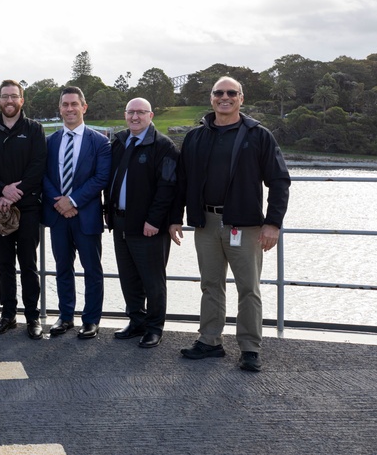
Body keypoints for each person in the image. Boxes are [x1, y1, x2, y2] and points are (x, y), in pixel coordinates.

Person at [169, 76, 290, 372]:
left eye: (231, 93)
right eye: (219, 93)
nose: (225, 97)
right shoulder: (196, 136)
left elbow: (279, 180)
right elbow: (181, 181)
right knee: (211, 284)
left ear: (241, 98)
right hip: (205, 223)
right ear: (211, 98)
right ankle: (210, 341)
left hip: (245, 225)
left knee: (248, 288)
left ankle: (250, 348)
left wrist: (273, 223)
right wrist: (174, 218)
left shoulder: (258, 135)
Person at [105, 97, 179, 349]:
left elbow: (167, 187)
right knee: (128, 277)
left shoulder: (163, 146)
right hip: (120, 222)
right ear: (125, 115)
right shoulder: (120, 142)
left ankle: (154, 327)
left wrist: (154, 220)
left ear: (151, 115)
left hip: (149, 226)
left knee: (153, 280)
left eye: (141, 112)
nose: (135, 117)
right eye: (130, 112)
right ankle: (136, 320)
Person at [0, 80, 47, 340]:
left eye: (14, 96)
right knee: (4, 264)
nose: (9, 101)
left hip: (27, 208)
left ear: (22, 100)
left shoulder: (34, 130)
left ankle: (32, 318)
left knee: (28, 264)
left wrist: (15, 193)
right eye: (4, 96)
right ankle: (8, 315)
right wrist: (1, 189)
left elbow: (38, 165)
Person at [42, 86, 111, 340]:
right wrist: (59, 202)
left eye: (74, 104)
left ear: (84, 107)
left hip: (87, 215)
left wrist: (72, 200)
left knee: (92, 269)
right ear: (60, 109)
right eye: (65, 105)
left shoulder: (100, 142)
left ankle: (91, 320)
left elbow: (101, 178)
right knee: (62, 267)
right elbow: (43, 176)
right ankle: (65, 316)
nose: (69, 109)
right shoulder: (50, 142)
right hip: (58, 215)